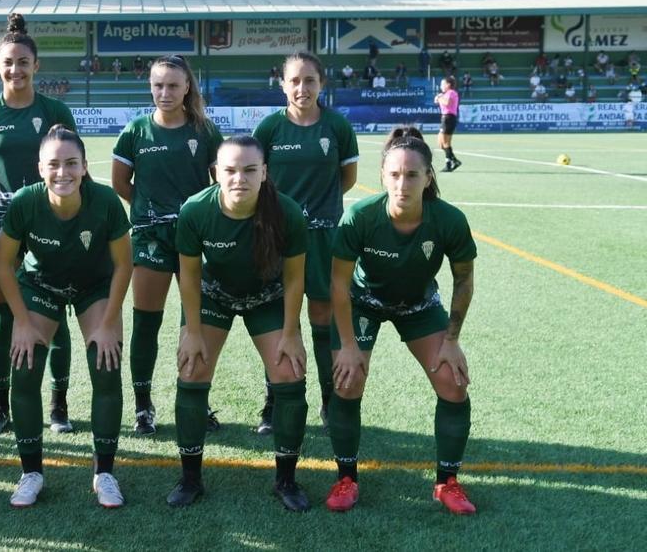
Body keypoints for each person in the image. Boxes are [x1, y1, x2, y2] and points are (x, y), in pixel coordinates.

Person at [325, 126, 478, 516]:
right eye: (394, 175)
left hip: (419, 305)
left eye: (412, 175)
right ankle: (347, 478)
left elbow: (463, 279)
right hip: (364, 302)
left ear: (428, 178)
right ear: (382, 176)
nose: (402, 183)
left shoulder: (448, 220)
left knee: (452, 381)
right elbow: (338, 285)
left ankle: (447, 482)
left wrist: (452, 339)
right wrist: (347, 345)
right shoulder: (360, 216)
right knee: (347, 380)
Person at [167, 135, 311, 511]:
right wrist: (192, 330)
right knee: (192, 370)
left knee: (289, 373)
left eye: (249, 170)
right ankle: (190, 478)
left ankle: (286, 480)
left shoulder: (288, 212)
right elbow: (188, 274)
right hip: (213, 295)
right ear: (216, 173)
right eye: (230, 170)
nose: (239, 178)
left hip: (267, 297)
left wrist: (292, 333)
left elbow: (296, 277)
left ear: (264, 172)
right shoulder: (195, 211)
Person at [0, 125, 133, 508]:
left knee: (106, 363)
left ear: (85, 166)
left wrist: (108, 323)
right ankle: (31, 472)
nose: (63, 173)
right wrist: (21, 321)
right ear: (40, 168)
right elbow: (5, 265)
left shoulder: (104, 200)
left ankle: (104, 472)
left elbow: (124, 265)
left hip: (95, 287)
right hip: (42, 286)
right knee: (23, 367)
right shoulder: (25, 202)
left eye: (72, 163)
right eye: (53, 164)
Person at [0, 13, 78, 436]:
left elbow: (70, 168)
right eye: (8, 62)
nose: (16, 69)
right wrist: (1, 215)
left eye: (23, 62)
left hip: (53, 227)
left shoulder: (55, 110)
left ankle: (59, 406)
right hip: (0, 230)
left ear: (36, 66)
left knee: (56, 312)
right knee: (1, 318)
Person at [111, 55, 223, 436]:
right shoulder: (136, 131)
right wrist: (150, 212)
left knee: (196, 323)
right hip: (150, 237)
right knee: (146, 323)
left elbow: (219, 184)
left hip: (193, 237)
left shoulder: (205, 131)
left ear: (187, 87)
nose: (165, 92)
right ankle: (143, 406)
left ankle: (196, 398)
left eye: (173, 85)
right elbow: (121, 184)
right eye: (158, 85)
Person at [252, 52, 358, 435]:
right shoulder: (269, 129)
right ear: (282, 84)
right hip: (277, 238)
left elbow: (346, 178)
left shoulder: (337, 127)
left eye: (309, 80)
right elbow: (258, 181)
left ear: (321, 84)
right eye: (294, 81)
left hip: (325, 236)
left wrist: (319, 212)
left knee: (322, 317)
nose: (302, 88)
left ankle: (329, 399)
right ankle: (275, 400)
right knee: (280, 321)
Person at [435, 76, 462, 172]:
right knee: (441, 143)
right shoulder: (445, 94)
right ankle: (454, 160)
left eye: (443, 84)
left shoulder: (451, 92)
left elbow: (447, 103)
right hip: (445, 118)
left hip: (449, 118)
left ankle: (448, 164)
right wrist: (439, 98)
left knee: (445, 143)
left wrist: (439, 98)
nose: (441, 86)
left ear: (448, 85)